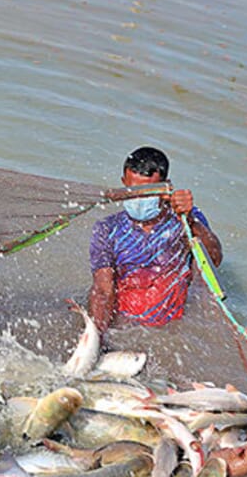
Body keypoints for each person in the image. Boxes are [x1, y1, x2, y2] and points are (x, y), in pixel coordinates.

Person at [87, 146, 222, 342]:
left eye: (148, 192)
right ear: (124, 183)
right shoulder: (107, 229)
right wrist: (98, 338)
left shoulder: (184, 221)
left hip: (169, 330)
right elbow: (102, 290)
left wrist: (190, 219)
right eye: (133, 190)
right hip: (122, 327)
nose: (139, 199)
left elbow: (215, 259)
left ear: (165, 187)